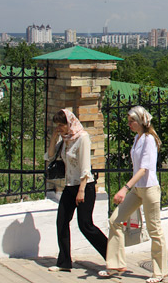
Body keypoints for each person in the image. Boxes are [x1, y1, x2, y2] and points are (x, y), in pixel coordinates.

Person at [99, 106, 168, 282]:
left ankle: (159, 272)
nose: (129, 124)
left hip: (149, 189)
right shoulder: (137, 139)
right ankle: (115, 265)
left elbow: (144, 169)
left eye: (132, 121)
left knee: (154, 230)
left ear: (142, 121)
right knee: (115, 220)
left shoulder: (149, 140)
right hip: (138, 189)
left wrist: (124, 188)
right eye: (129, 121)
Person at [47, 109, 108, 272]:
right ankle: (64, 262)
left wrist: (81, 191)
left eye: (61, 125)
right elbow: (49, 155)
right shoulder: (66, 139)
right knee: (61, 221)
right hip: (69, 186)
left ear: (70, 123)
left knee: (86, 225)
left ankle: (112, 256)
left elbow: (85, 168)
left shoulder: (82, 138)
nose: (59, 128)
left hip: (84, 186)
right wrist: (54, 136)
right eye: (57, 126)